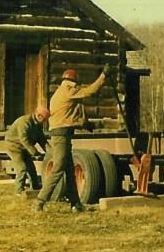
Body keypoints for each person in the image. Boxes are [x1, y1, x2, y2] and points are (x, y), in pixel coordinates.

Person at [33, 65, 109, 213]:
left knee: (69, 169)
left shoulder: (59, 92)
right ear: (73, 81)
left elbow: (68, 114)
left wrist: (84, 123)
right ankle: (39, 202)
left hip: (61, 135)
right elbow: (90, 91)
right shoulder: (69, 90)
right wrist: (103, 76)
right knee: (59, 168)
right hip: (61, 136)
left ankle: (75, 204)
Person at [4, 106, 49, 195]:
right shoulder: (24, 122)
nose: (45, 121)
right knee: (22, 168)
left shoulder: (38, 124)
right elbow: (24, 139)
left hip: (25, 147)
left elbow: (41, 139)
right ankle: (19, 191)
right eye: (45, 119)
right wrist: (35, 152)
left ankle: (36, 188)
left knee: (31, 169)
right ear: (39, 116)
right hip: (14, 147)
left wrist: (50, 151)